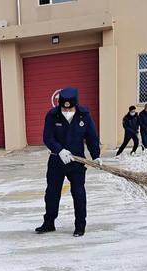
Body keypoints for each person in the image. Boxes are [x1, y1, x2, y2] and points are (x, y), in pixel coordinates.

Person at [36, 87, 101, 237]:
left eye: (70, 108)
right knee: (52, 193)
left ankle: (80, 226)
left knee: (78, 194)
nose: (66, 111)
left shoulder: (84, 115)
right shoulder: (52, 115)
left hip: (77, 162)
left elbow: (92, 137)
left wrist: (96, 155)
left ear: (75, 105)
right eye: (63, 108)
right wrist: (60, 150)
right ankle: (49, 223)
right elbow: (48, 137)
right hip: (56, 161)